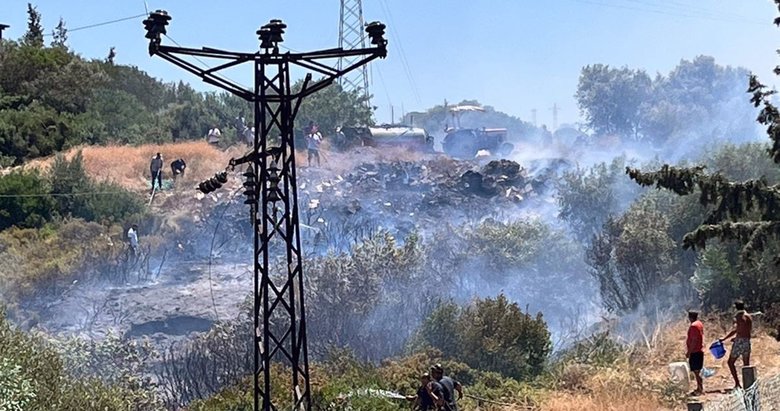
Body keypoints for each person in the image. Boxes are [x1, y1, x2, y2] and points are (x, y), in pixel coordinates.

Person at [721, 300, 753, 389]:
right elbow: (745, 330)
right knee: (746, 365)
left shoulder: (738, 317)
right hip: (747, 341)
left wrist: (724, 338)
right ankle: (748, 385)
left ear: (736, 307)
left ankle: (737, 384)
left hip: (739, 342)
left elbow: (736, 330)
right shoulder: (749, 316)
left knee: (730, 362)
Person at [686, 310, 705, 396]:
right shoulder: (699, 324)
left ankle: (700, 389)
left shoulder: (693, 326)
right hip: (699, 350)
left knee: (697, 372)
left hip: (695, 351)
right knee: (698, 371)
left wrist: (689, 352)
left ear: (690, 317)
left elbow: (694, 340)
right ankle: (700, 388)